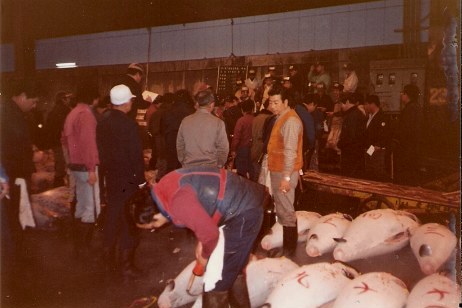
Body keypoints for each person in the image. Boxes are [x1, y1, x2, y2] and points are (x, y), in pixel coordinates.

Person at [131, 166, 270, 307]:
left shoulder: (177, 204)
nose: (156, 229)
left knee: (217, 280)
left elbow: (211, 235)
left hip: (244, 211)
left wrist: (204, 256)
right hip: (237, 201)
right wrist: (201, 240)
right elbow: (200, 210)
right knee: (232, 268)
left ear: (154, 216)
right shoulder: (165, 187)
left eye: (153, 227)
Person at [96, 84, 146, 279]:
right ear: (126, 102)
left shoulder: (103, 121)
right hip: (128, 179)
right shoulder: (129, 124)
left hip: (111, 176)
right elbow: (136, 156)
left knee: (114, 216)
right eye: (131, 100)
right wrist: (141, 181)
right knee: (128, 222)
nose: (132, 103)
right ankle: (126, 266)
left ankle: (108, 261)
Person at [1, 79, 42, 264]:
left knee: (14, 214)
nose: (33, 106)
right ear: (23, 96)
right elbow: (11, 148)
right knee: (13, 215)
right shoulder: (10, 113)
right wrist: (31, 157)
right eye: (33, 101)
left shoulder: (10, 111)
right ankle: (16, 257)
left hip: (11, 174)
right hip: (11, 175)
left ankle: (16, 253)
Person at [62, 82, 101, 257]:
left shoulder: (72, 113)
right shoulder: (86, 114)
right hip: (86, 167)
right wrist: (92, 168)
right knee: (91, 208)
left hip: (75, 165)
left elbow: (64, 139)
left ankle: (77, 245)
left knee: (80, 205)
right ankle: (85, 248)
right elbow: (89, 143)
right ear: (94, 98)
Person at [266, 85, 303, 257]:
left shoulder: (290, 121)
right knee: (281, 209)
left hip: (284, 173)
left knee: (287, 210)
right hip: (278, 171)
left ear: (286, 102)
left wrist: (286, 178)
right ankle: (286, 247)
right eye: (270, 102)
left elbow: (290, 152)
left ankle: (289, 252)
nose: (272, 106)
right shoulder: (281, 117)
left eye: (276, 102)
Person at [176, 90, 229, 168]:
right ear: (212, 104)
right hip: (211, 168)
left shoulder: (185, 121)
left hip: (189, 167)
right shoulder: (218, 123)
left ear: (197, 103)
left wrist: (184, 161)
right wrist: (219, 165)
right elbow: (223, 148)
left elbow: (180, 145)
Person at [393, 84, 423, 186]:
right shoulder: (416, 107)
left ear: (408, 95)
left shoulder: (410, 109)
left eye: (403, 93)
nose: (401, 95)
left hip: (407, 150)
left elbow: (406, 131)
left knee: (406, 177)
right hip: (413, 149)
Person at [162, 89, 195, 174]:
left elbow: (162, 127)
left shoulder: (168, 110)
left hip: (171, 139)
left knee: (171, 165)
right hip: (186, 141)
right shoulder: (192, 111)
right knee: (184, 166)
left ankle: (170, 184)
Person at [44, 91, 73, 187]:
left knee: (59, 162)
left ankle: (58, 183)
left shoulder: (53, 111)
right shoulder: (65, 110)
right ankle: (59, 185)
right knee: (63, 163)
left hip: (54, 141)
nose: (69, 100)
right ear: (63, 99)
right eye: (67, 98)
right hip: (62, 141)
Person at [337, 93, 367, 178]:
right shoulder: (356, 113)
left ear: (347, 102)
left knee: (350, 179)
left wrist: (340, 144)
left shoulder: (352, 116)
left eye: (341, 104)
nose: (341, 106)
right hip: (356, 153)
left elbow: (350, 136)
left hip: (351, 154)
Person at [364, 95, 391, 182]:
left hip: (376, 149)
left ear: (372, 104)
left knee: (377, 172)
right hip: (370, 148)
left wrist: (377, 146)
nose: (365, 106)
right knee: (370, 170)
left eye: (366, 104)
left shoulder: (382, 117)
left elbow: (383, 134)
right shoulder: (370, 116)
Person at [230, 99, 255, 179]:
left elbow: (236, 137)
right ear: (252, 109)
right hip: (253, 149)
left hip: (242, 149)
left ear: (242, 110)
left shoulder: (241, 121)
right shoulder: (255, 120)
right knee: (252, 172)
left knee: (241, 174)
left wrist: (233, 149)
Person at [304, 94, 324, 171]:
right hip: (312, 140)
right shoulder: (317, 114)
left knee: (310, 160)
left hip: (311, 140)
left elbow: (319, 129)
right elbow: (319, 129)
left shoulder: (316, 114)